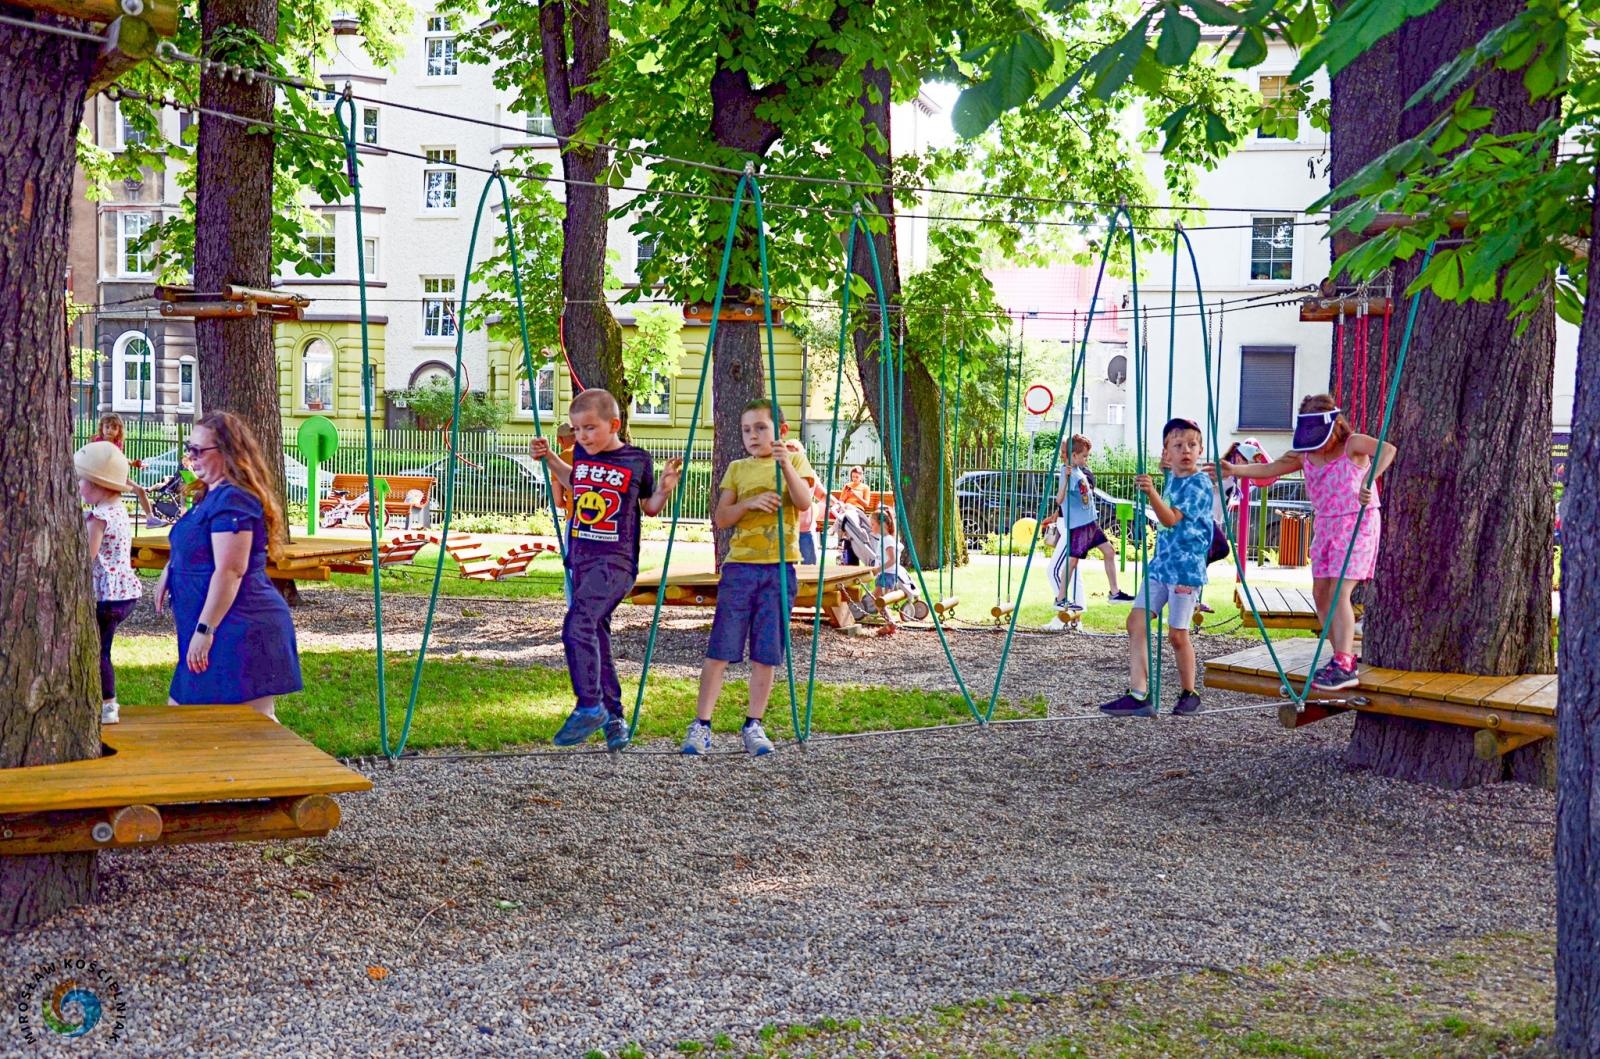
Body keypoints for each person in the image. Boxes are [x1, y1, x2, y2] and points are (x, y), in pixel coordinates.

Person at [531, 388, 681, 751]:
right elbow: (576, 480)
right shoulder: (583, 454)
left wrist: (664, 489)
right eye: (577, 429)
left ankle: (589, 706)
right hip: (582, 560)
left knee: (578, 623)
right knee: (594, 634)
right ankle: (613, 717)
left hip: (616, 562)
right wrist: (549, 457)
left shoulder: (636, 459)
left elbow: (649, 507)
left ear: (614, 425)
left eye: (590, 428)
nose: (582, 436)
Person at [1220, 394, 1396, 691]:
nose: (1315, 444)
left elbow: (1387, 450)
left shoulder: (1352, 445)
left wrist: (1368, 479)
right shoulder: (1305, 454)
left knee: (1339, 590)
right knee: (1321, 593)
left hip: (1356, 523)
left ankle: (1344, 663)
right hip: (1326, 525)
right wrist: (1235, 470)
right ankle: (1340, 658)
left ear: (1335, 428)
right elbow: (1271, 469)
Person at [683, 399, 816, 756]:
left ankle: (753, 724)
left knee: (766, 651)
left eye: (760, 428)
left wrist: (785, 464)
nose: (752, 436)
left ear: (781, 432)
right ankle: (701, 724)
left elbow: (804, 502)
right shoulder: (737, 468)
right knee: (721, 647)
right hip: (740, 569)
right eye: (746, 430)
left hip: (779, 568)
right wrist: (748, 505)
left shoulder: (794, 461)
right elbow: (721, 517)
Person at [154, 411, 301, 719]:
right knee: (187, 720)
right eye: (189, 448)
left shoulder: (234, 500)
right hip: (215, 624)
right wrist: (171, 569)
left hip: (238, 627)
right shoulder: (210, 495)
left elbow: (231, 570)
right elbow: (196, 545)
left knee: (251, 726)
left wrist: (205, 630)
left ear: (227, 452)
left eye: (198, 450)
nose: (191, 458)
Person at [1099, 418, 1213, 718]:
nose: (1186, 450)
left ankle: (1190, 693)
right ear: (1167, 452)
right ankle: (1139, 694)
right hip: (1161, 566)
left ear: (1200, 450)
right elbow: (1168, 474)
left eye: (1192, 445)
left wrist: (1151, 492)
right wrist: (1163, 471)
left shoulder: (1199, 483)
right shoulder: (1173, 475)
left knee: (1177, 635)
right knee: (1135, 622)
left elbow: (1170, 519)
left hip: (1185, 570)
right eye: (1178, 445)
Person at [76, 441, 142, 725]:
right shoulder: (118, 509)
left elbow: (86, 557)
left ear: (98, 484)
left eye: (82, 480)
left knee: (99, 651)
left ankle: (108, 705)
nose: (78, 486)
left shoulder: (99, 517)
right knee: (100, 647)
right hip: (124, 592)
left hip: (107, 596)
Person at [1046, 435, 1134, 628]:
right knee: (1072, 562)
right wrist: (1066, 479)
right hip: (1079, 526)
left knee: (1109, 551)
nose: (1087, 459)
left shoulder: (1079, 470)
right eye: (1084, 456)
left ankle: (1114, 593)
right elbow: (1059, 500)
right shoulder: (1067, 472)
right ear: (1074, 455)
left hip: (1091, 523)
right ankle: (1060, 598)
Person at [93, 412, 155, 523]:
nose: (109, 430)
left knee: (140, 490)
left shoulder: (118, 443)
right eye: (107, 427)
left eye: (114, 428)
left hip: (117, 475)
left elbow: (120, 457)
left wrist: (134, 463)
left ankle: (150, 519)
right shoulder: (98, 441)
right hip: (103, 475)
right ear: (102, 428)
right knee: (107, 500)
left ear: (119, 430)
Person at [838, 466, 871, 563]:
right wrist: (847, 495)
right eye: (853, 477)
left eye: (857, 477)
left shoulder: (865, 488)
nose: (855, 479)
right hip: (846, 509)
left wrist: (856, 495)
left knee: (847, 514)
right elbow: (841, 501)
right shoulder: (847, 486)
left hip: (857, 510)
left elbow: (866, 504)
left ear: (861, 477)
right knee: (847, 509)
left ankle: (840, 532)